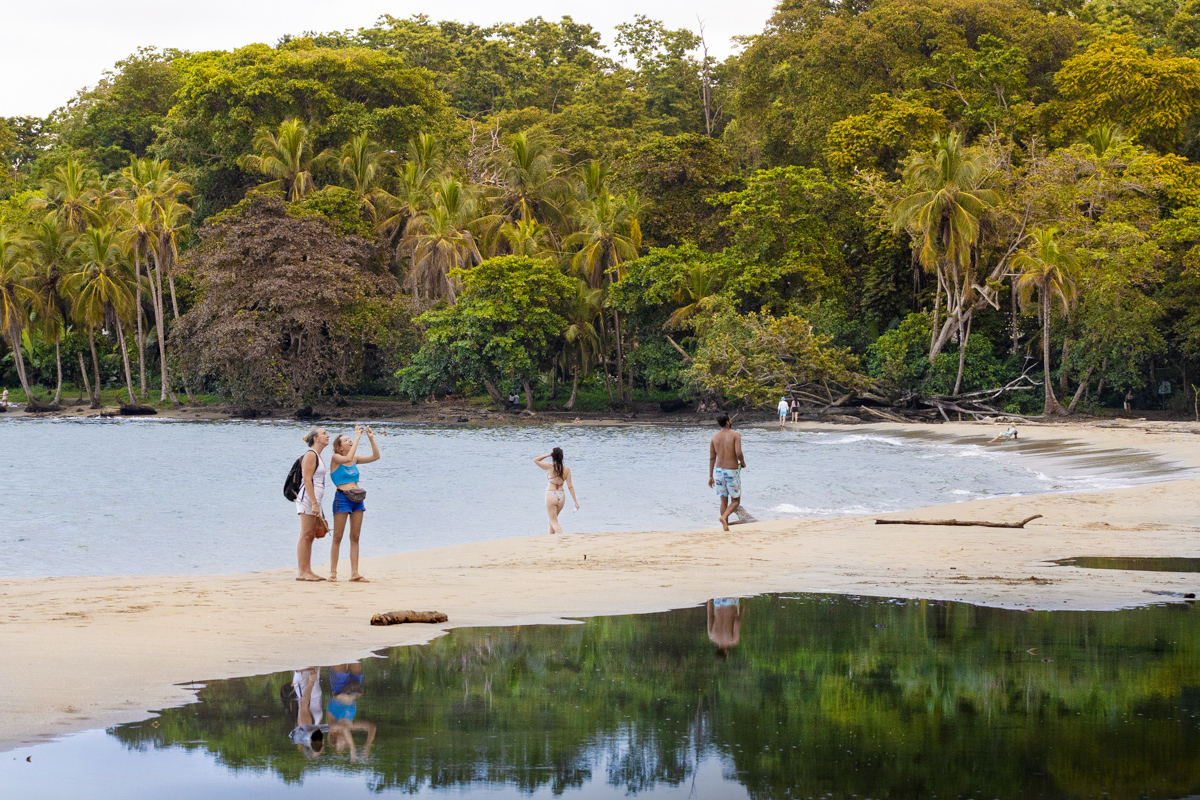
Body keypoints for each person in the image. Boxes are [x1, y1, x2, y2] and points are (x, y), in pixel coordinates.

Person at [329, 426, 381, 582]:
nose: (350, 440)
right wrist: (358, 437)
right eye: (346, 440)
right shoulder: (336, 458)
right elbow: (346, 459)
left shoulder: (355, 459)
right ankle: (333, 573)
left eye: (350, 439)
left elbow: (376, 456)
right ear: (339, 447)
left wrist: (370, 438)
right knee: (337, 537)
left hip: (357, 499)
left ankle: (355, 573)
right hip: (342, 498)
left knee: (355, 537)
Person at [295, 427, 329, 581]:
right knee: (306, 534)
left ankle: (308, 570)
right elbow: (307, 480)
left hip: (315, 500)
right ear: (315, 438)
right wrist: (314, 503)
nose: (327, 436)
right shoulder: (310, 455)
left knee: (311, 535)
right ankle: (302, 572)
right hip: (307, 499)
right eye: (324, 433)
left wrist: (320, 508)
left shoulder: (318, 456)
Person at [326, 661, 376, 762]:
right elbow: (372, 727)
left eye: (341, 745)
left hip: (339, 687)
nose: (345, 743)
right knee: (355, 656)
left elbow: (344, 728)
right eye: (345, 745)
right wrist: (367, 745)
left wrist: (353, 748)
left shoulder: (332, 725)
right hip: (354, 687)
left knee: (339, 655)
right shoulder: (351, 724)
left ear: (334, 737)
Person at [708, 414, 746, 531]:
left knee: (723, 499)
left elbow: (712, 458)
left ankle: (725, 525)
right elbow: (738, 452)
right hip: (731, 471)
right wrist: (743, 462)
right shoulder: (735, 435)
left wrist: (710, 476)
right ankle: (724, 517)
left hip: (718, 471)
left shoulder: (714, 437)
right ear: (727, 422)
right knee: (735, 500)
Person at [534, 447, 579, 535]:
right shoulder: (567, 470)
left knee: (553, 521)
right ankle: (551, 539)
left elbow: (536, 460)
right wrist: (575, 501)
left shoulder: (550, 467)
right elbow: (570, 487)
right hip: (561, 496)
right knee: (553, 520)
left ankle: (561, 537)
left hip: (551, 494)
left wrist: (548, 454)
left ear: (553, 456)